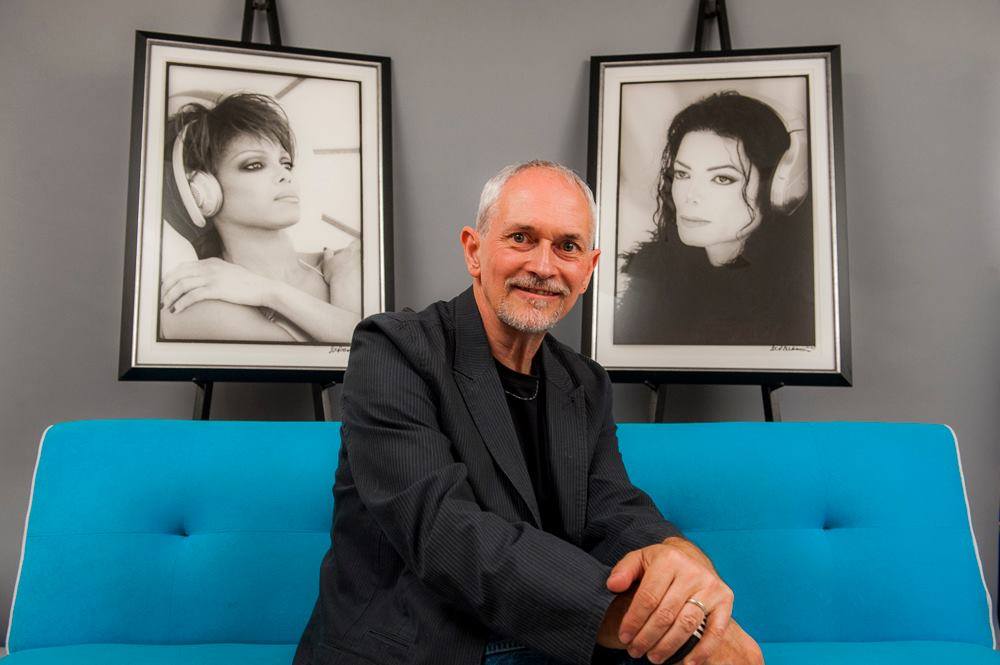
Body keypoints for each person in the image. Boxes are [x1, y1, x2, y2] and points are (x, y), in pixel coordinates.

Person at [293, 160, 763, 665]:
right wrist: (623, 616)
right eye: (521, 238)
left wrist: (679, 558)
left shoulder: (584, 381)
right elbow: (441, 528)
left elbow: (611, 509)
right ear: (474, 251)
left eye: (568, 246)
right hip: (417, 648)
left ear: (588, 269)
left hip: (543, 643)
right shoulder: (394, 348)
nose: (543, 266)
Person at [158, 92, 361, 344]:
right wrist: (269, 292)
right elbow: (351, 358)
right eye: (254, 165)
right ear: (201, 191)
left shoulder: (350, 263)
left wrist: (345, 280)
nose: (285, 175)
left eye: (285, 163)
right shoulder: (191, 306)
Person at [615, 91, 814, 346]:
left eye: (722, 178)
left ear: (779, 189)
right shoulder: (652, 281)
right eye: (683, 174)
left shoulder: (797, 305)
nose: (691, 196)